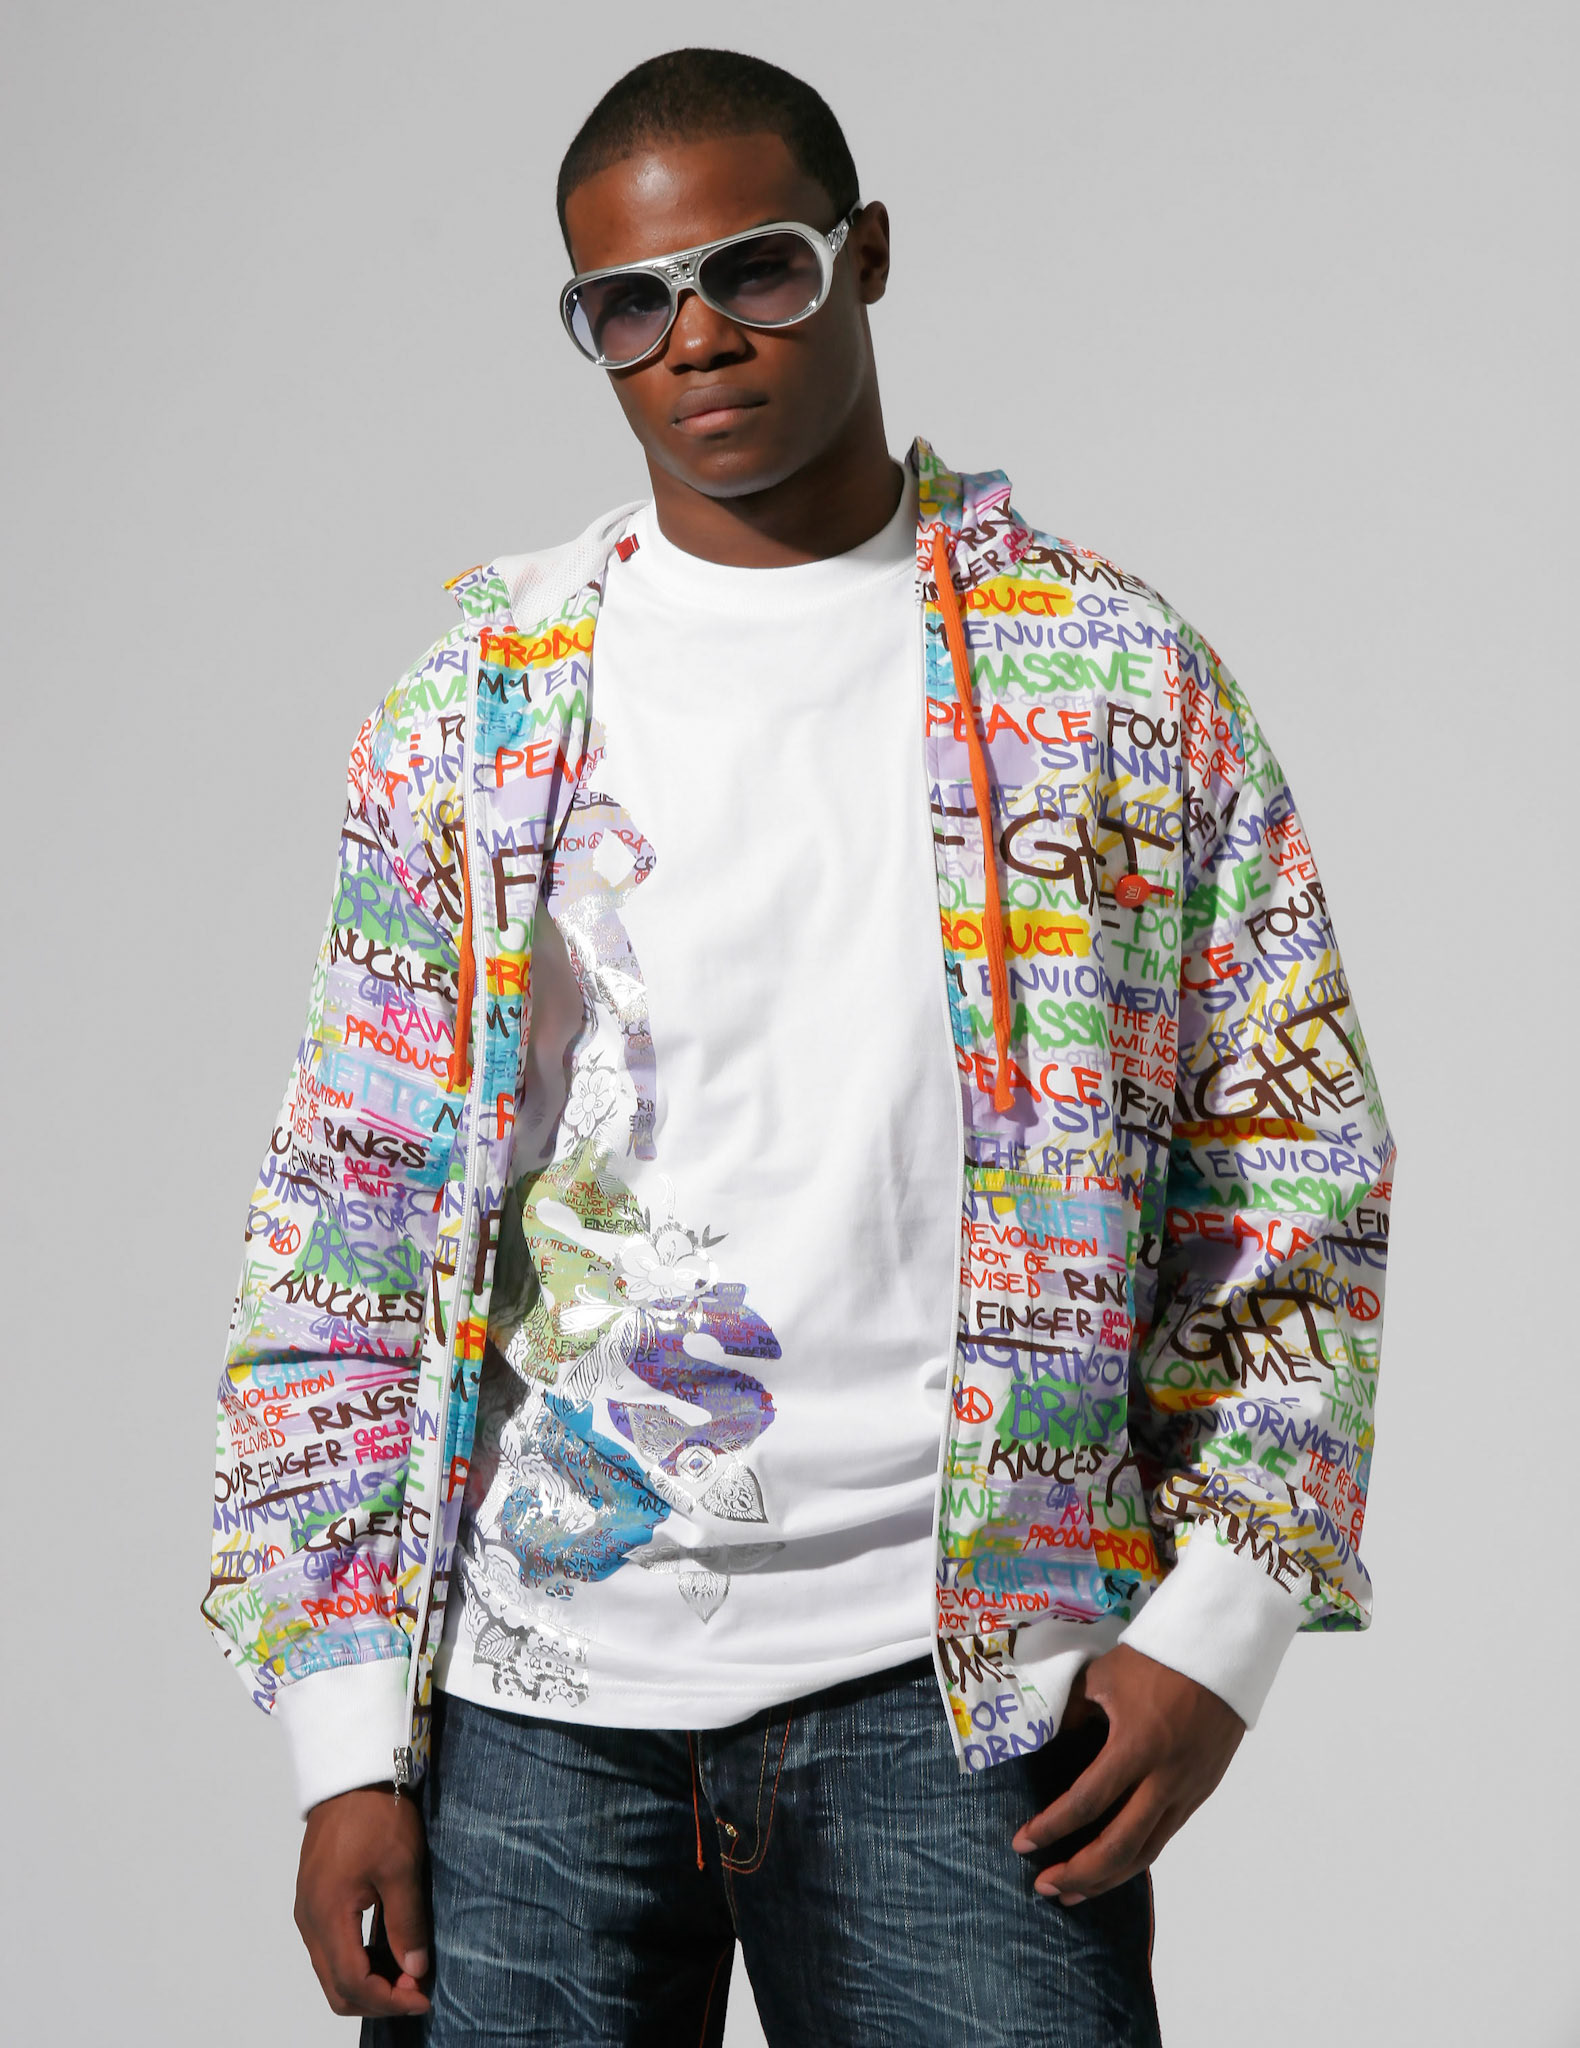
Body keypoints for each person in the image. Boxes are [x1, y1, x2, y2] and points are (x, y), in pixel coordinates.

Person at [202, 46, 1395, 2047]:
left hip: (969, 1698)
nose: (696, 339)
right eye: (627, 304)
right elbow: (352, 1203)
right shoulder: (476, 706)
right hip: (525, 1712)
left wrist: (1222, 1621)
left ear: (865, 255)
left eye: (753, 271)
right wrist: (342, 1739)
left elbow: (1290, 1161)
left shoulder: (1111, 676)